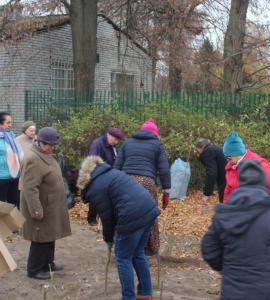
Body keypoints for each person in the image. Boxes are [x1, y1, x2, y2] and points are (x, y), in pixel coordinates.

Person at [201, 159, 270, 300]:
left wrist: (230, 266)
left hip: (234, 293)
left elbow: (209, 250)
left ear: (240, 183)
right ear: (264, 183)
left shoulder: (224, 216)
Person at [77, 155, 160, 300]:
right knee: (138, 252)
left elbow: (107, 218)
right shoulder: (111, 173)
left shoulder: (95, 187)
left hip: (133, 216)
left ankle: (128, 297)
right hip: (149, 209)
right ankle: (145, 293)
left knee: (123, 257)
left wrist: (109, 239)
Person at [114, 118, 171, 259]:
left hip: (125, 182)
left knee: (124, 214)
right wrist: (166, 192)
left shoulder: (128, 142)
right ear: (155, 133)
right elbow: (163, 169)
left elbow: (117, 166)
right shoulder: (157, 144)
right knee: (148, 215)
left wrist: (113, 186)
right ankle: (147, 249)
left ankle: (122, 246)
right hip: (146, 183)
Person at [20, 127, 71, 280]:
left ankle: (48, 263)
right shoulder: (32, 159)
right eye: (49, 144)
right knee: (40, 237)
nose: (52, 147)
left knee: (49, 235)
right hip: (41, 206)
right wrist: (36, 210)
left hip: (50, 205)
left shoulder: (45, 153)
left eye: (54, 144)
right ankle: (34, 269)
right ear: (40, 142)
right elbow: (29, 188)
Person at [222, 131, 270, 203]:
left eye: (228, 158)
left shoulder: (260, 165)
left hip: (261, 209)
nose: (227, 161)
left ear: (237, 154)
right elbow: (228, 190)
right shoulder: (231, 168)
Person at [87, 127, 124, 226]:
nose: (116, 142)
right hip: (98, 174)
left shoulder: (111, 145)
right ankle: (91, 218)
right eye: (115, 139)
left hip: (108, 174)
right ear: (109, 136)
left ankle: (104, 216)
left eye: (117, 140)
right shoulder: (98, 144)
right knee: (97, 196)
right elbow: (91, 160)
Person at [0, 112, 24, 208]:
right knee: (2, 206)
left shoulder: (11, 136)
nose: (10, 125)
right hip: (2, 177)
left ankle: (11, 223)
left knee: (13, 205)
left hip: (14, 176)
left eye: (10, 122)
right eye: (8, 122)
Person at [196, 138, 227, 204]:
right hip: (231, 179)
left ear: (198, 149)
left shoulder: (208, 152)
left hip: (226, 182)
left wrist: (207, 194)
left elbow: (211, 173)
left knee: (225, 206)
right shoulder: (216, 149)